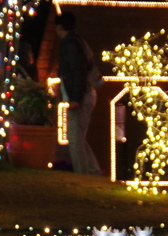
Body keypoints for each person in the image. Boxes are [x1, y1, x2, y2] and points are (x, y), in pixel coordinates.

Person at [56, 12, 102, 175]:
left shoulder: (69, 44)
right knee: (79, 138)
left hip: (80, 96)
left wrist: (75, 98)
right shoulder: (80, 41)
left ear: (60, 27)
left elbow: (77, 71)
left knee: (74, 139)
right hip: (87, 94)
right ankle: (93, 170)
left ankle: (83, 174)